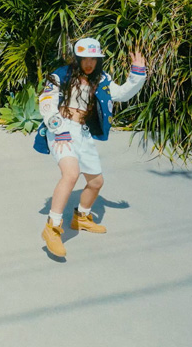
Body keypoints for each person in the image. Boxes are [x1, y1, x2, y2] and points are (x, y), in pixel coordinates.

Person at [34, 37, 147, 258]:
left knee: (96, 182)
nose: (89, 63)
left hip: (82, 132)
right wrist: (58, 129)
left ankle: (81, 218)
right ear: (77, 58)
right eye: (85, 59)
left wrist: (137, 74)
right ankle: (52, 227)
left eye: (93, 59)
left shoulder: (102, 79)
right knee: (71, 174)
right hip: (61, 128)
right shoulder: (61, 75)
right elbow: (46, 103)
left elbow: (121, 94)